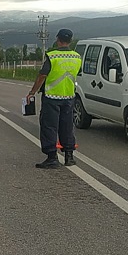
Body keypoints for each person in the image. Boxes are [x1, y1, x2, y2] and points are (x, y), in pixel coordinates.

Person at [27, 28, 83, 169]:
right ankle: (69, 156)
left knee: (49, 127)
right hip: (69, 96)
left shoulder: (52, 56)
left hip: (52, 97)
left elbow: (42, 76)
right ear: (70, 40)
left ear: (58, 39)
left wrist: (32, 92)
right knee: (67, 127)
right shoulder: (77, 57)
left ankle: (52, 157)